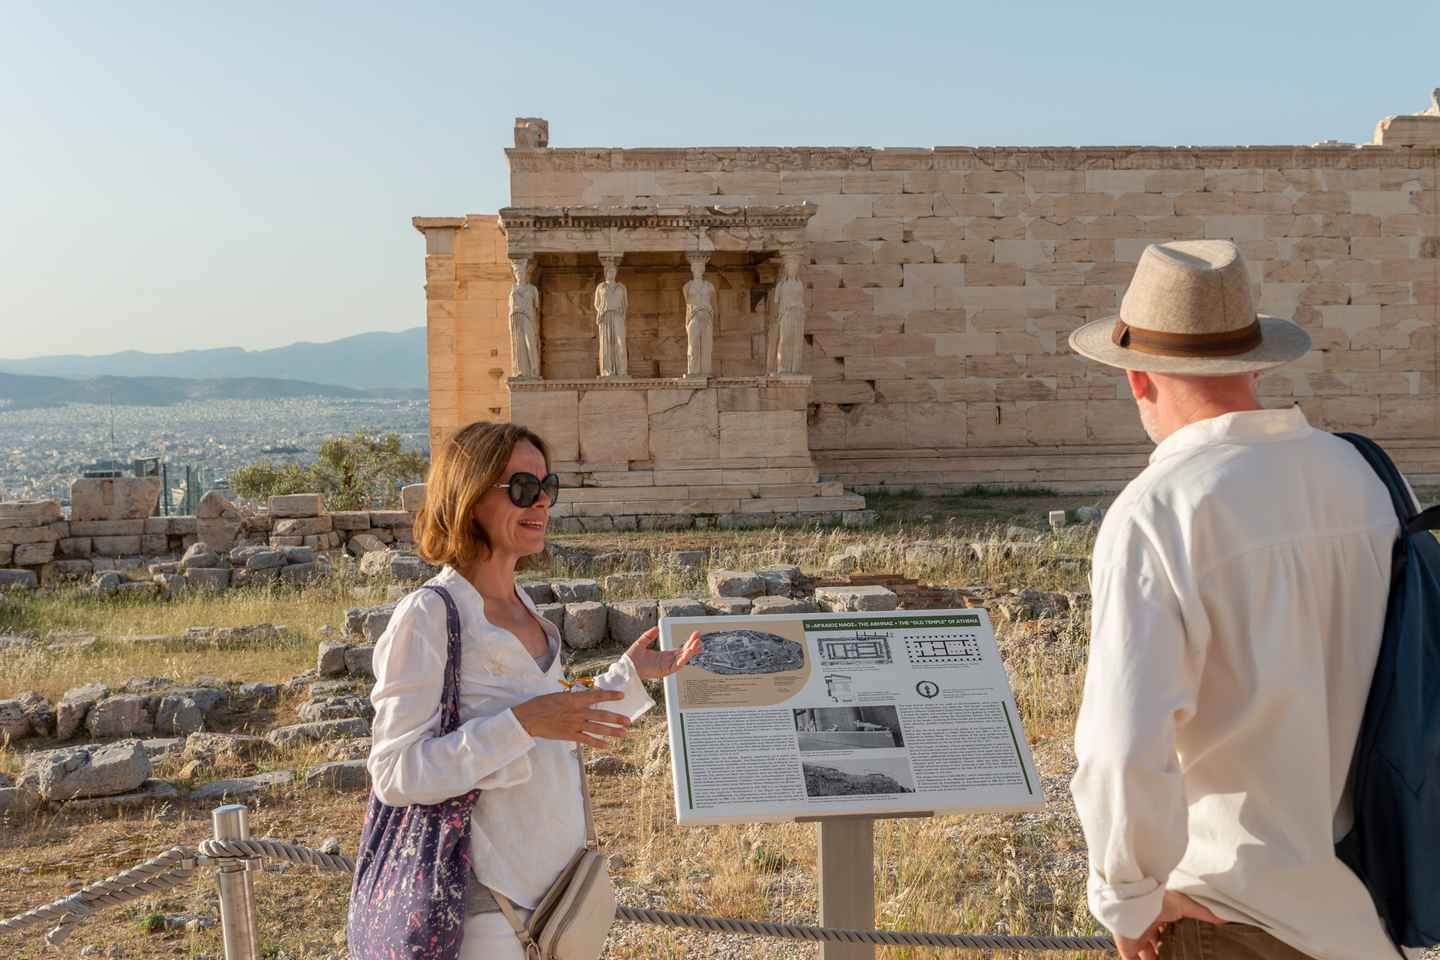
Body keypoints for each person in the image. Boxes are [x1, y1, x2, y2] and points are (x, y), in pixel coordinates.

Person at [1066, 240, 1408, 960]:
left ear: (1137, 378)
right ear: (1256, 361)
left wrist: (1128, 897)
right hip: (1376, 913)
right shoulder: (1372, 477)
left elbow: (1125, 744)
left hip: (1234, 916)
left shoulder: (1160, 510)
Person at [365, 421, 702, 959]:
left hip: (558, 893)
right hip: (486, 906)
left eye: (549, 487)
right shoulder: (429, 615)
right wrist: (522, 723)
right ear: (470, 495)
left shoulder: (527, 609)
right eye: (522, 488)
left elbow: (551, 720)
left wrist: (630, 677)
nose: (542, 501)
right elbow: (395, 772)